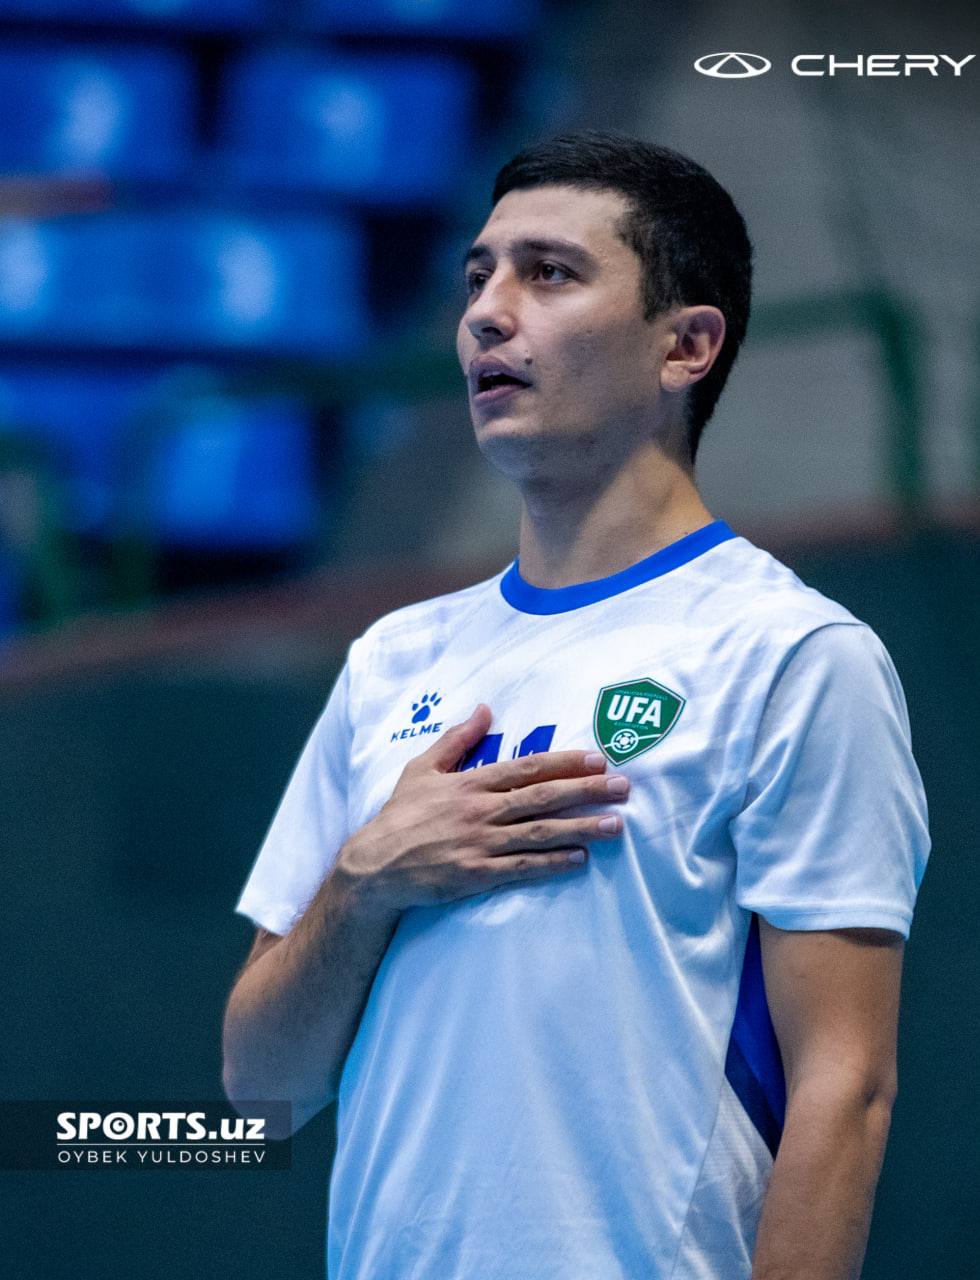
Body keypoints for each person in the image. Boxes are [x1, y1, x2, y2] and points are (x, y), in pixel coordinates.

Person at [222, 130, 929, 1280]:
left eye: (548, 273)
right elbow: (260, 1089)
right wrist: (364, 881)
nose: (487, 314)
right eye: (476, 277)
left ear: (685, 345)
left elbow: (843, 1090)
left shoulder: (792, 654)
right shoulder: (392, 657)